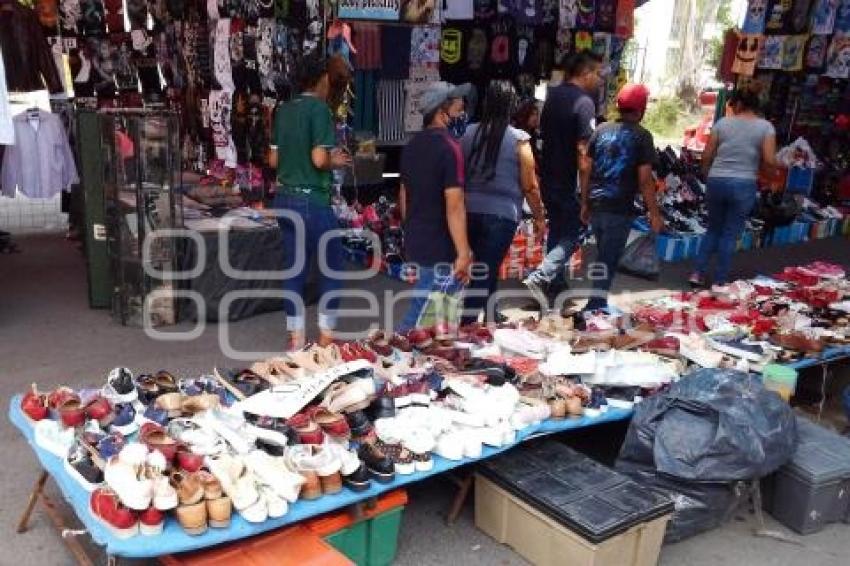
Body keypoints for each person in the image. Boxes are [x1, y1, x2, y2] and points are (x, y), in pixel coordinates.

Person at [268, 54, 352, 350]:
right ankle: (326, 337)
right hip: (311, 200)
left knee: (294, 269)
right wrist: (335, 160)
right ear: (324, 78)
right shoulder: (319, 110)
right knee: (332, 265)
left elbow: (273, 158)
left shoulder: (284, 110)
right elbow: (319, 159)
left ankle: (296, 338)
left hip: (284, 198)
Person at [460, 81, 546, 325]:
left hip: (468, 212)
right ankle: (466, 328)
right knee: (484, 271)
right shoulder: (520, 141)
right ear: (511, 107)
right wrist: (539, 217)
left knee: (486, 268)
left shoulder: (467, 133)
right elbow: (530, 185)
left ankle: (490, 315)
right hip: (502, 216)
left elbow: (458, 173)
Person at [523, 52, 603, 310]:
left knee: (557, 232)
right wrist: (586, 193)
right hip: (568, 180)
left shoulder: (553, 96)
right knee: (574, 232)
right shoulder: (584, 102)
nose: (600, 80)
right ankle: (541, 276)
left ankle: (554, 287)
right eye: (598, 74)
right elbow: (583, 154)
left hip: (549, 176)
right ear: (586, 73)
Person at [580, 84, 664, 312]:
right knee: (608, 257)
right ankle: (595, 305)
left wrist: (585, 201)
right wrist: (654, 213)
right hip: (619, 207)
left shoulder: (601, 130)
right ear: (641, 109)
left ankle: (597, 301)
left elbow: (586, 167)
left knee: (604, 254)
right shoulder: (642, 136)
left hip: (597, 204)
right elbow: (645, 180)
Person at [397, 83, 473, 332]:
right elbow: (454, 204)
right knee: (420, 317)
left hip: (418, 237)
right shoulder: (450, 148)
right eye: (458, 107)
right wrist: (463, 252)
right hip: (440, 243)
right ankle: (390, 352)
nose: (461, 113)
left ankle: (430, 358)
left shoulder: (411, 147)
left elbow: (404, 195)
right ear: (443, 111)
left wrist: (410, 230)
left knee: (440, 316)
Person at [690, 89, 777, 287]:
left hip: (717, 180)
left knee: (712, 229)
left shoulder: (722, 124)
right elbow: (770, 160)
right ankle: (720, 280)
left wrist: (707, 175)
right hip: (744, 182)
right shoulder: (766, 128)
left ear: (738, 104)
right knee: (729, 233)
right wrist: (771, 177)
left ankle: (697, 273)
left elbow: (706, 156)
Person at [512, 98, 541, 165]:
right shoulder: (519, 134)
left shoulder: (533, 134)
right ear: (525, 115)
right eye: (532, 114)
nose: (535, 118)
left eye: (537, 114)